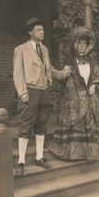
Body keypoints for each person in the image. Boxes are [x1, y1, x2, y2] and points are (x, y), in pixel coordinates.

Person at [13, 17, 71, 176]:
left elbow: (49, 69)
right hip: (30, 91)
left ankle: (39, 158)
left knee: (42, 124)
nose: (42, 32)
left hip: (45, 91)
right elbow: (18, 73)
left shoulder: (44, 49)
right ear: (30, 32)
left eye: (43, 30)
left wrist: (62, 73)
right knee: (26, 125)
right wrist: (22, 92)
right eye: (38, 30)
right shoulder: (21, 49)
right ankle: (21, 161)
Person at [46, 26, 99, 161]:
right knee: (75, 125)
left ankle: (88, 154)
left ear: (88, 45)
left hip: (88, 99)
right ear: (75, 45)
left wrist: (94, 85)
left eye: (85, 44)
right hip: (73, 100)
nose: (82, 47)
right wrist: (69, 80)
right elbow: (63, 81)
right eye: (80, 44)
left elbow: (97, 75)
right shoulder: (69, 62)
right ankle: (74, 154)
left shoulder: (92, 61)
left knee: (88, 126)